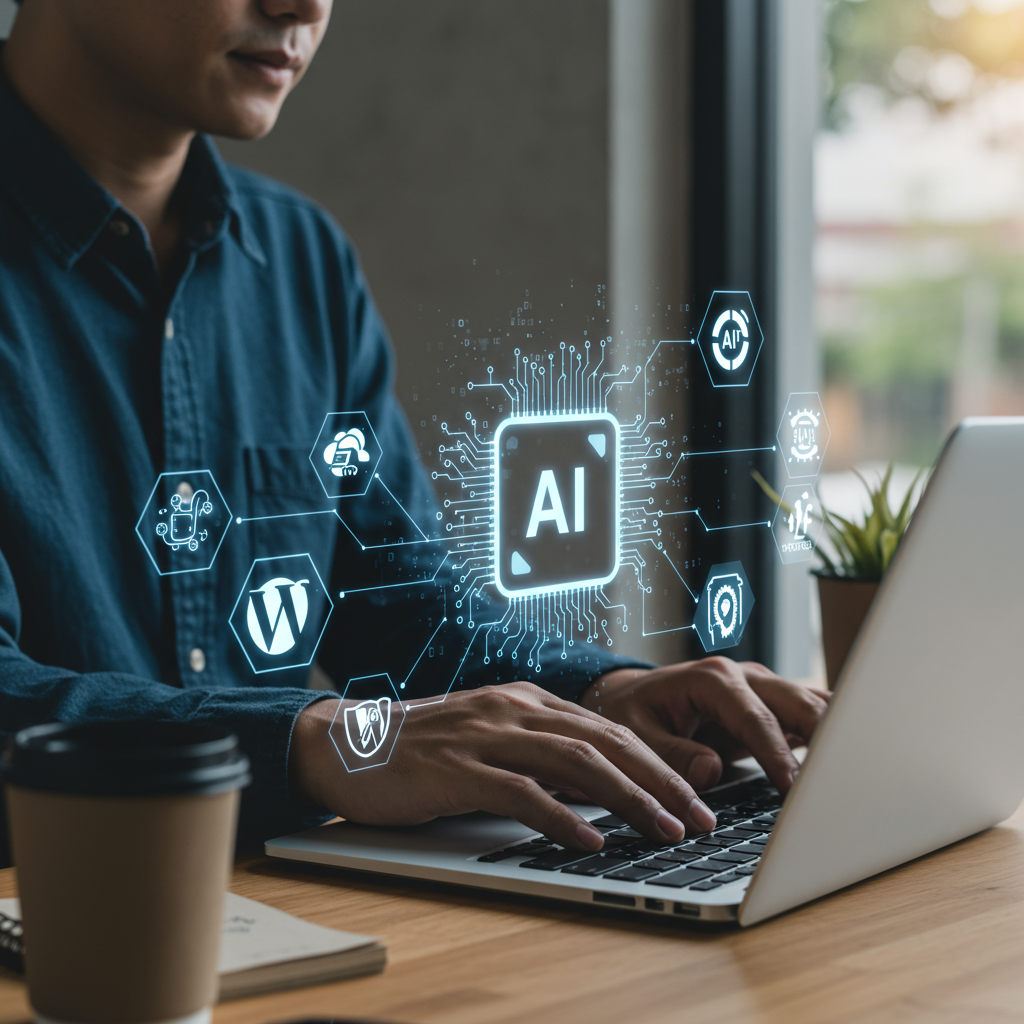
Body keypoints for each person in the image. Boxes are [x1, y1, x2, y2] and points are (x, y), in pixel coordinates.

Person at [0, 0, 828, 856]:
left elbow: (399, 606)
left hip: (275, 922)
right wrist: (328, 742)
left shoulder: (301, 260)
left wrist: (601, 690)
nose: (305, 6)